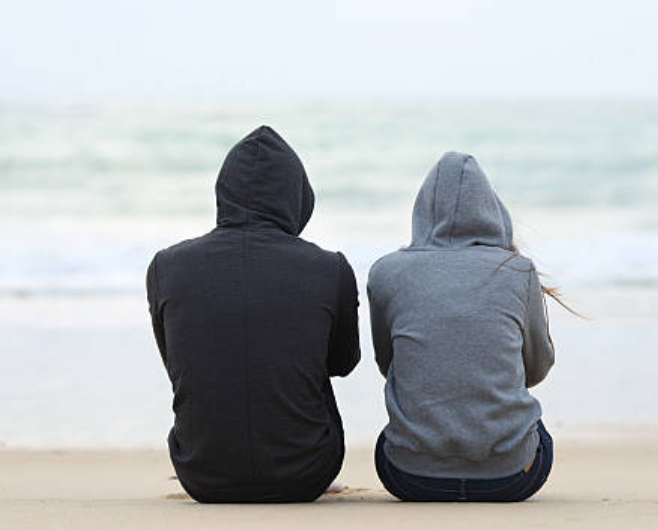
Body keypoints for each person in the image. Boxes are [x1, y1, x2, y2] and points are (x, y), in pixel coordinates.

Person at [145, 126, 360, 503]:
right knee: (302, 362)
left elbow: (176, 364)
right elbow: (343, 362)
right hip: (306, 474)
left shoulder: (167, 266)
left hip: (200, 473)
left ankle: (223, 453)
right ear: (298, 196)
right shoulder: (329, 268)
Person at [367, 152, 556, 502]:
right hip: (512, 477)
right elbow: (538, 367)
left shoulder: (386, 272)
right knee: (538, 432)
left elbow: (390, 366)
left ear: (422, 211)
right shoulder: (517, 270)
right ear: (492, 210)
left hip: (411, 478)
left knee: (390, 439)